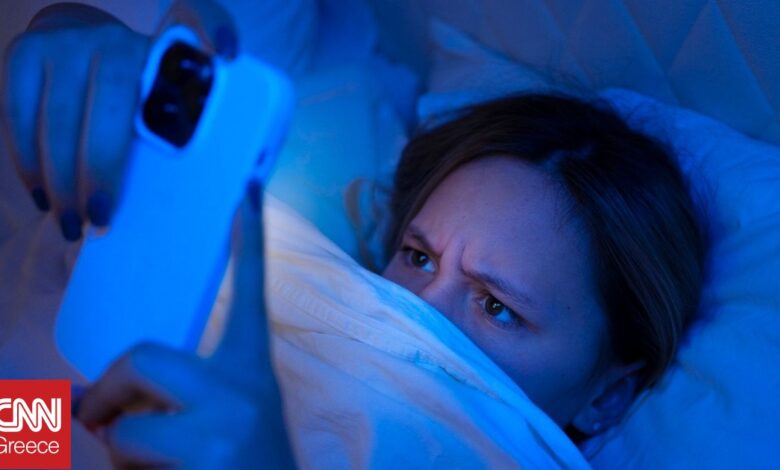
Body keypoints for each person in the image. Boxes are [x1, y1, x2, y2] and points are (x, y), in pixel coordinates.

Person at [0, 1, 705, 467]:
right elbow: (33, 435)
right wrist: (71, 34)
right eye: (418, 256)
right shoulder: (288, 291)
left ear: (607, 394)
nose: (417, 311)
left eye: (497, 307)